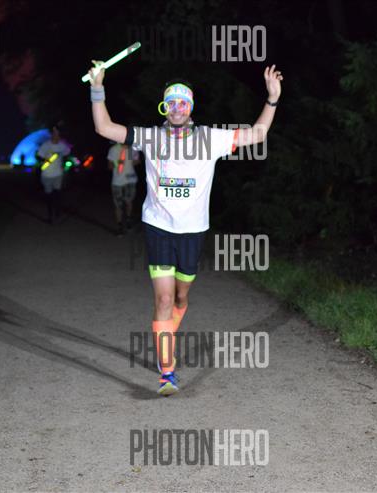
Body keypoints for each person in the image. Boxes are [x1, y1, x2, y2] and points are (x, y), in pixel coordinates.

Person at [88, 61, 282, 396]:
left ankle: (170, 330)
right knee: (163, 299)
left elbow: (257, 134)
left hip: (193, 231)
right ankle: (167, 372)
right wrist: (97, 87)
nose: (177, 108)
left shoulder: (211, 138)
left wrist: (272, 98)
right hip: (158, 227)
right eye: (171, 102)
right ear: (164, 107)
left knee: (180, 297)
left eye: (183, 102)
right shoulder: (150, 137)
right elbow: (104, 127)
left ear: (190, 107)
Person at [36, 125, 71, 223]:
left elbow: (67, 153)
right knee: (49, 196)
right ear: (51, 134)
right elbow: (38, 156)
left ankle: (57, 212)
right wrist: (45, 160)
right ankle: (50, 215)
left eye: (58, 134)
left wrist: (65, 164)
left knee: (58, 194)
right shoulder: (46, 145)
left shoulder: (62, 145)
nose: (56, 136)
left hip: (58, 174)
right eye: (54, 133)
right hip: (46, 174)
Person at [107, 141, 140, 236]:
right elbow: (109, 166)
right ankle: (120, 226)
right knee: (118, 205)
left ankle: (128, 220)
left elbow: (137, 161)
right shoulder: (113, 149)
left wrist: (135, 161)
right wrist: (118, 162)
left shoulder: (133, 148)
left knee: (129, 202)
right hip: (117, 182)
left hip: (130, 180)